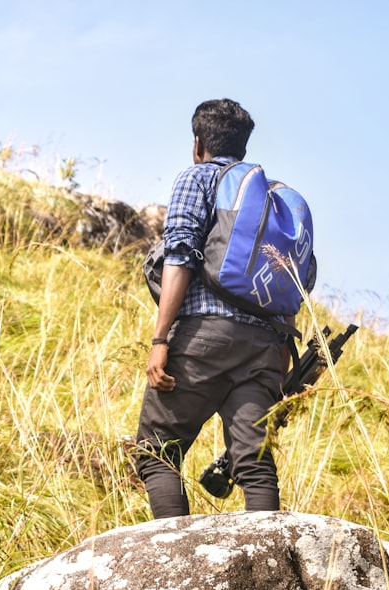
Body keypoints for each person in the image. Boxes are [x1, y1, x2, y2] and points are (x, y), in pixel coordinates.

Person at [132, 98, 297, 519]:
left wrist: (159, 339)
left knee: (157, 453)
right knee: (254, 463)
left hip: (205, 338)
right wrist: (281, 346)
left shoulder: (197, 177)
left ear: (198, 143)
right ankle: (270, 564)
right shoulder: (271, 199)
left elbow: (181, 254)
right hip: (262, 347)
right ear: (243, 146)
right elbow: (291, 277)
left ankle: (179, 564)